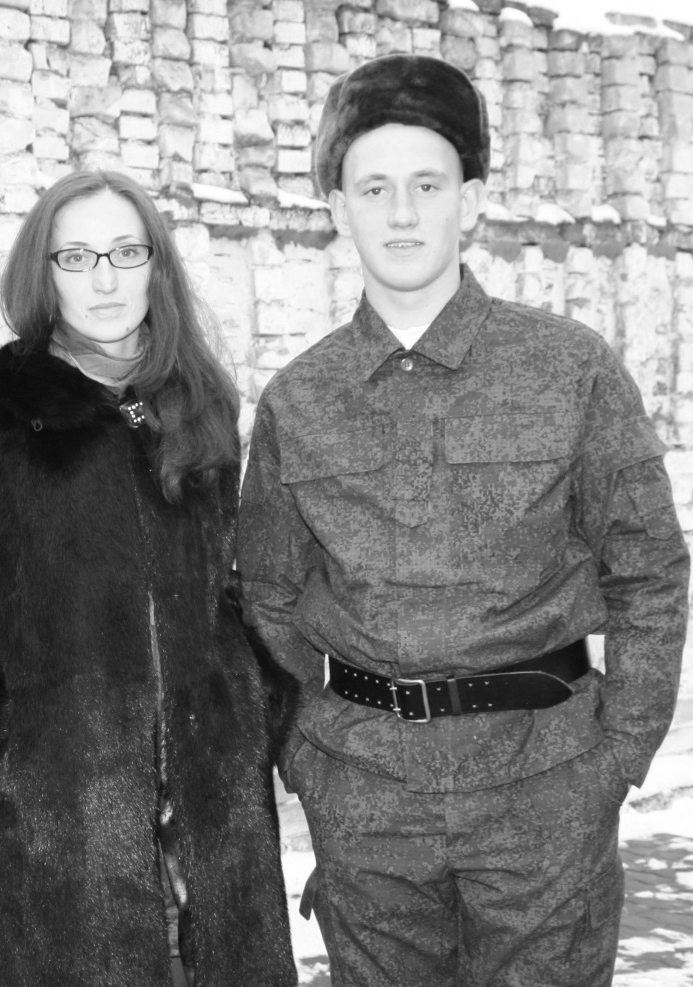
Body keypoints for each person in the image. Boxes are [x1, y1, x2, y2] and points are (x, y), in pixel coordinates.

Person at [236, 54, 690, 987]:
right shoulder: (298, 400)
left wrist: (617, 756)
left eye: (428, 184)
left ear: (471, 201)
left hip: (546, 788)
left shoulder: (570, 369)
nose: (401, 213)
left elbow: (649, 569)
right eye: (374, 188)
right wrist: (308, 755)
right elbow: (267, 595)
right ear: (338, 210)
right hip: (366, 800)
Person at [0, 170, 297, 987]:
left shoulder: (201, 411)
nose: (104, 279)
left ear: (156, 265)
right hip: (57, 834)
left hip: (218, 817)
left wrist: (253, 711)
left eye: (127, 252)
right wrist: (0, 758)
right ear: (44, 273)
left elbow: (238, 590)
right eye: (76, 256)